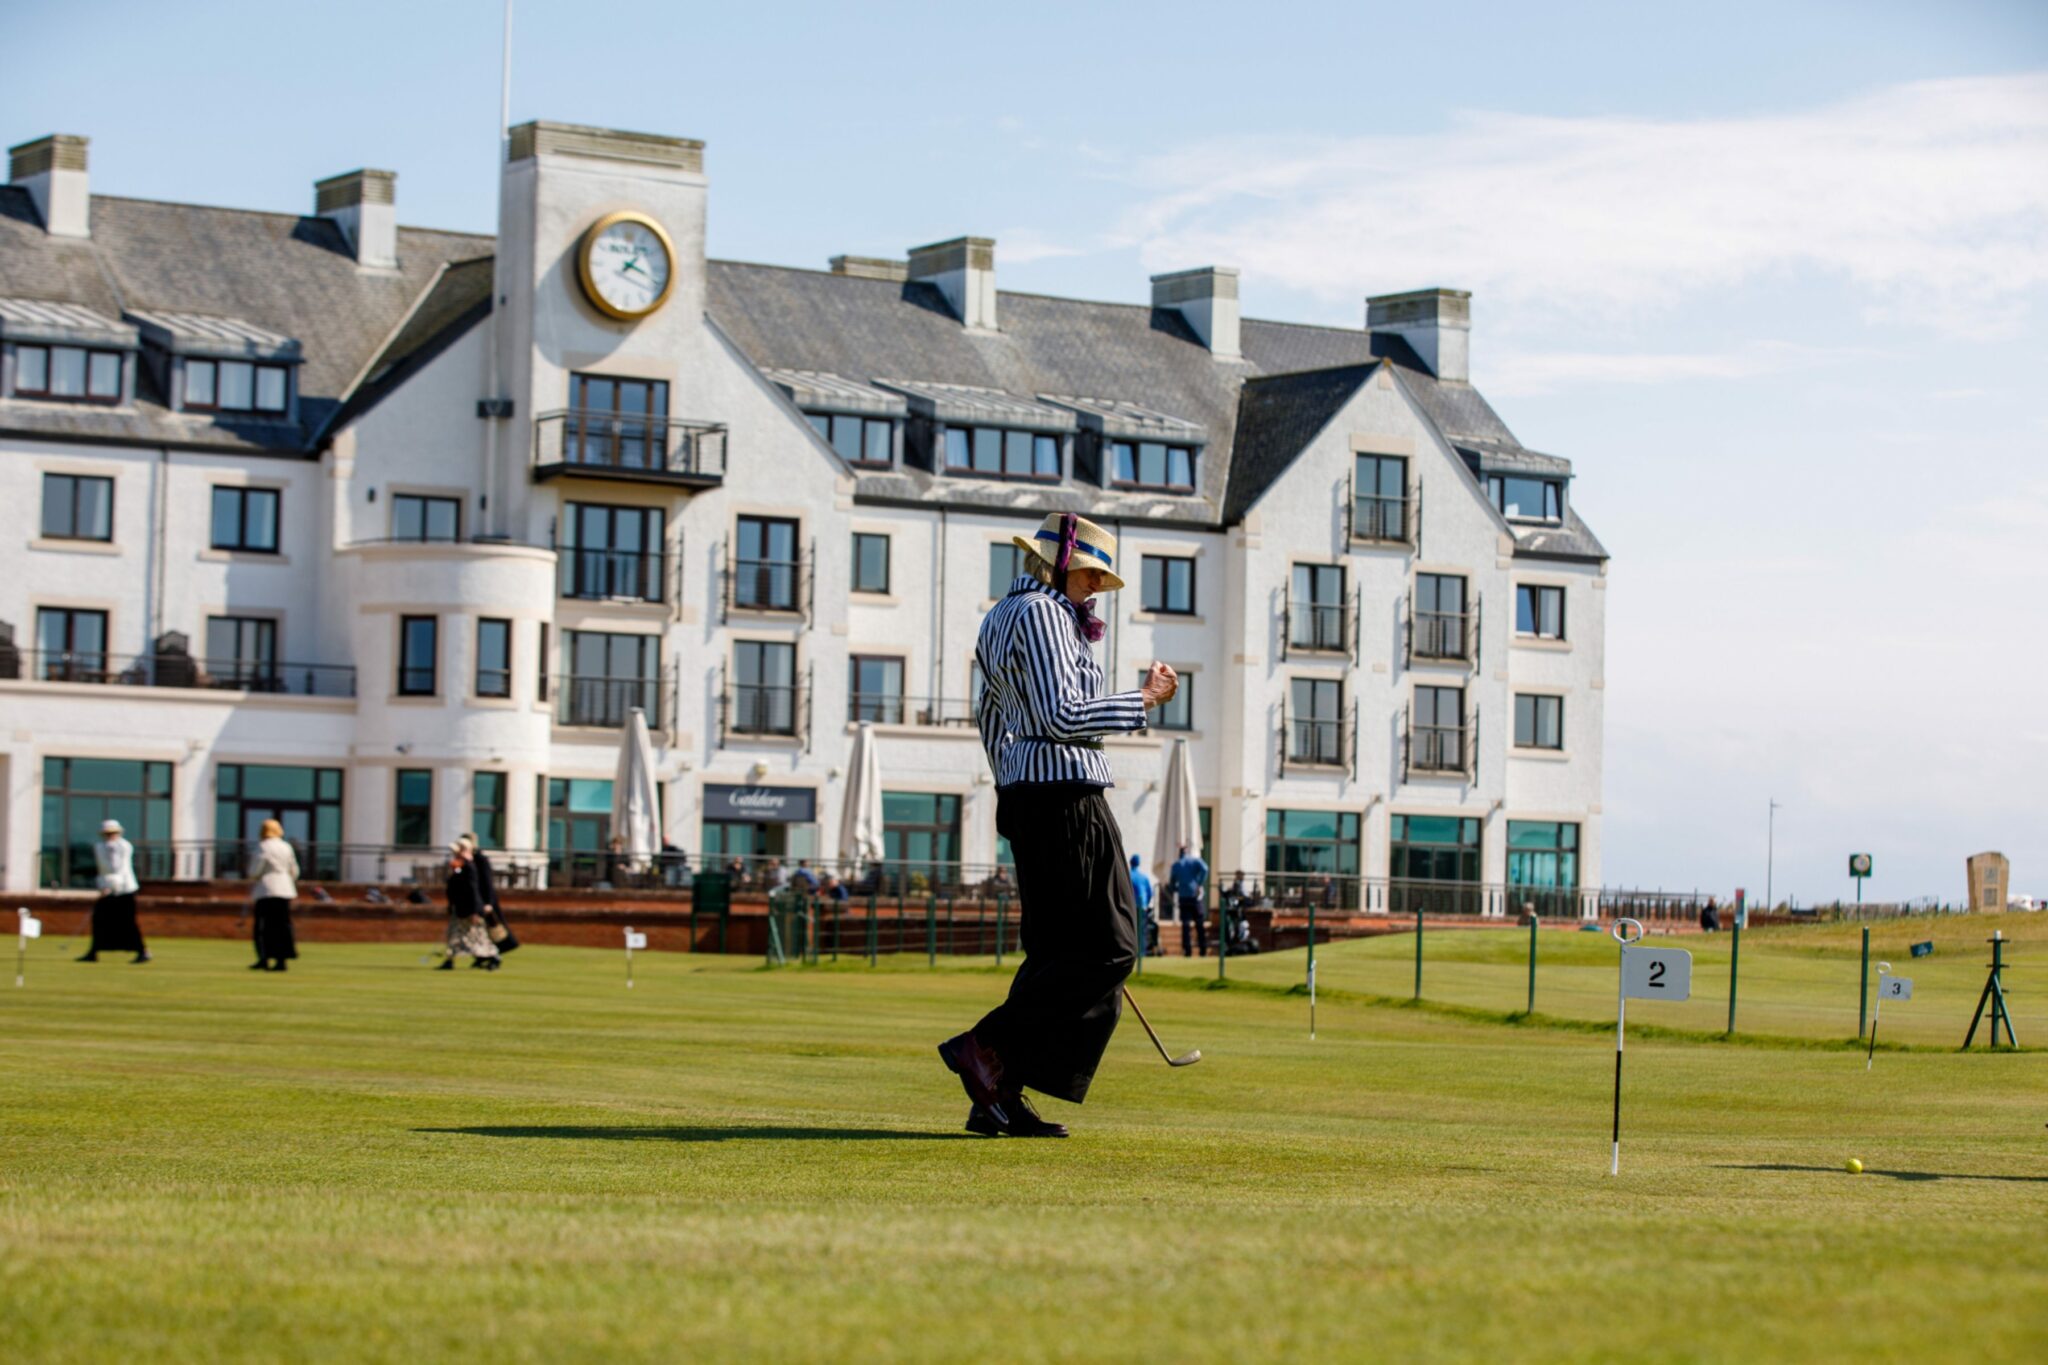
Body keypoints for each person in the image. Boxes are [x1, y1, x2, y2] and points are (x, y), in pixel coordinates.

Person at [937, 512, 1178, 1139]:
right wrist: (1141, 700)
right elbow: (1063, 716)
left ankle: (997, 1093)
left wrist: (1010, 783)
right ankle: (984, 1049)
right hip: (1063, 792)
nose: (1098, 586)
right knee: (1112, 946)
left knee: (1054, 954)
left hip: (1027, 792)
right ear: (1063, 561)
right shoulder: (1045, 615)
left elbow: (988, 716)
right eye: (1093, 572)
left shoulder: (1000, 616)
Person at [80, 818, 149, 963]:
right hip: (107, 889)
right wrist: (103, 885)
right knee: (99, 919)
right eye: (107, 833)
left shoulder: (124, 846)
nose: (110, 836)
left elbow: (120, 867)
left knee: (128, 922)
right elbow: (103, 869)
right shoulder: (99, 847)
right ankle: (94, 952)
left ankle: (142, 951)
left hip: (124, 890)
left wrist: (112, 884)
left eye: (113, 833)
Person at [245, 818, 300, 972]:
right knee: (283, 926)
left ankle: (264, 958)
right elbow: (294, 871)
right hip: (285, 889)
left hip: (267, 890)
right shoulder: (286, 847)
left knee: (264, 927)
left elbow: (254, 871)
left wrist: (254, 877)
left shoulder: (263, 847)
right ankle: (281, 960)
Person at [438, 840, 501, 971]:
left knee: (477, 936)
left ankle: (493, 955)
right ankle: (449, 960)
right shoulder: (459, 866)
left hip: (470, 908)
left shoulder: (470, 867)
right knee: (454, 934)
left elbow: (473, 889)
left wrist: (475, 911)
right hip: (460, 908)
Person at [461, 833, 518, 954]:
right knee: (480, 930)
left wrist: (488, 902)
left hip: (485, 900)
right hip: (476, 901)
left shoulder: (480, 859)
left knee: (492, 928)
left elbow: (487, 883)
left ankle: (495, 953)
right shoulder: (465, 861)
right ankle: (483, 955)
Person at [1171, 843, 1209, 958]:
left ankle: (1187, 951)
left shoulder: (1176, 865)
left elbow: (1172, 882)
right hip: (1195, 897)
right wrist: (1199, 883)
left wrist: (1178, 889)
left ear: (1179, 852)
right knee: (1199, 923)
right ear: (1187, 851)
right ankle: (1203, 950)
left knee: (1186, 925)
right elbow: (1205, 869)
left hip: (1183, 898)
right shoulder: (1194, 860)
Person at [1128, 853, 1158, 957]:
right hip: (1142, 907)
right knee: (1142, 931)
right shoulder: (1144, 877)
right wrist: (1146, 903)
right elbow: (1149, 893)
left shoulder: (1128, 875)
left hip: (1130, 907)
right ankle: (1141, 953)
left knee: (1130, 930)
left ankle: (1131, 953)